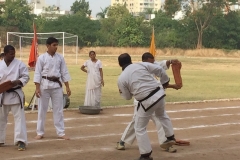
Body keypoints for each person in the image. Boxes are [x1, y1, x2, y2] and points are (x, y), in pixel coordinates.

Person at [117, 52, 182, 153]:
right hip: (151, 99)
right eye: (151, 60)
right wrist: (167, 83)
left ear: (119, 64)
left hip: (147, 100)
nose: (153, 62)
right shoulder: (141, 65)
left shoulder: (123, 77)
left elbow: (127, 97)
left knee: (143, 125)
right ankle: (123, 141)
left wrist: (170, 62)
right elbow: (160, 72)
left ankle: (163, 144)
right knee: (142, 121)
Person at [34, 37, 71, 140]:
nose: (56, 47)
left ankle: (61, 132)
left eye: (56, 45)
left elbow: (64, 72)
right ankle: (40, 132)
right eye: (54, 45)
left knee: (58, 110)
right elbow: (37, 73)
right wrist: (37, 88)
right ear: (48, 46)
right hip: (44, 85)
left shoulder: (60, 58)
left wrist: (67, 86)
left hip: (57, 86)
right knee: (42, 110)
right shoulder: (42, 58)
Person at [0, 45, 29, 151]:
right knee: (1, 119)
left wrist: (17, 82)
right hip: (2, 95)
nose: (13, 55)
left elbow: (26, 76)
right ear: (5, 54)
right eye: (11, 53)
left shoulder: (20, 64)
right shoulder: (0, 65)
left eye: (14, 53)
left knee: (19, 119)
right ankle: (0, 139)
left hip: (15, 94)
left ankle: (20, 141)